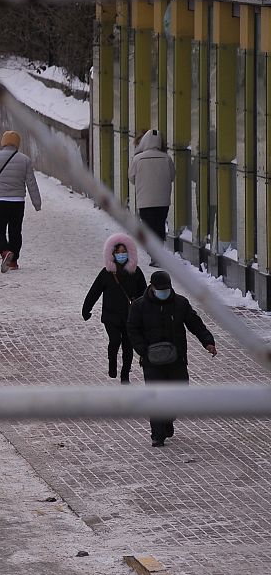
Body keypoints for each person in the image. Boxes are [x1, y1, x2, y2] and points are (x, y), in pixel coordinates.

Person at [127, 270, 216, 447]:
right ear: (151, 287)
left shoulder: (180, 303)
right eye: (160, 289)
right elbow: (132, 329)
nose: (163, 292)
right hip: (152, 361)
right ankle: (157, 434)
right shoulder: (139, 306)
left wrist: (208, 341)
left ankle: (168, 419)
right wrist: (143, 350)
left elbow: (195, 324)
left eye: (166, 288)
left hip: (177, 359)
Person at [82, 233, 147, 383]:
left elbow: (144, 293)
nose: (121, 255)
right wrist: (86, 309)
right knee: (115, 339)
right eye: (118, 252)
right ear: (112, 254)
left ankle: (125, 375)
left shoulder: (136, 272)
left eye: (124, 252)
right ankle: (112, 363)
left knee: (128, 345)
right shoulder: (107, 273)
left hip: (130, 316)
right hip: (111, 315)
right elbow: (95, 291)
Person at [0, 130, 41, 273]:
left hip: (0, 201)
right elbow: (31, 183)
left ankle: (4, 252)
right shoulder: (25, 160)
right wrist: (37, 203)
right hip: (18, 202)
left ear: (3, 142)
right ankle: (13, 261)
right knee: (15, 231)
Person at [129, 129, 174, 258]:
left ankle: (153, 253)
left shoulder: (138, 159)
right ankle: (159, 252)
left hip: (145, 200)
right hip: (163, 200)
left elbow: (131, 178)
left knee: (149, 226)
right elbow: (172, 176)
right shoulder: (167, 158)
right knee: (160, 224)